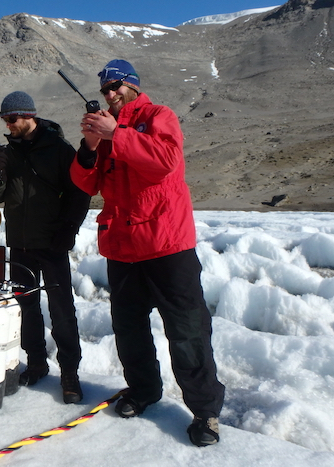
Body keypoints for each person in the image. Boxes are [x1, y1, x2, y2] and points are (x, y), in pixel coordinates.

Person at [69, 60, 226, 446]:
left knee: (188, 331)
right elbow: (86, 183)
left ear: (134, 86)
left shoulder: (159, 116)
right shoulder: (107, 130)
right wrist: (90, 146)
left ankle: (206, 413)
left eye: (117, 86)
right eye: (105, 89)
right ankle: (143, 391)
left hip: (166, 244)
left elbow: (165, 162)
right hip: (122, 248)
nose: (110, 94)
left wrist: (116, 132)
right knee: (129, 329)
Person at [0, 91, 90, 404]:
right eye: (5, 119)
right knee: (26, 306)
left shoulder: (58, 149)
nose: (8, 124)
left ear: (28, 115)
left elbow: (81, 193)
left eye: (12, 118)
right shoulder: (9, 151)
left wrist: (68, 232)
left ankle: (69, 373)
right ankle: (36, 363)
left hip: (52, 243)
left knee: (61, 309)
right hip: (19, 244)